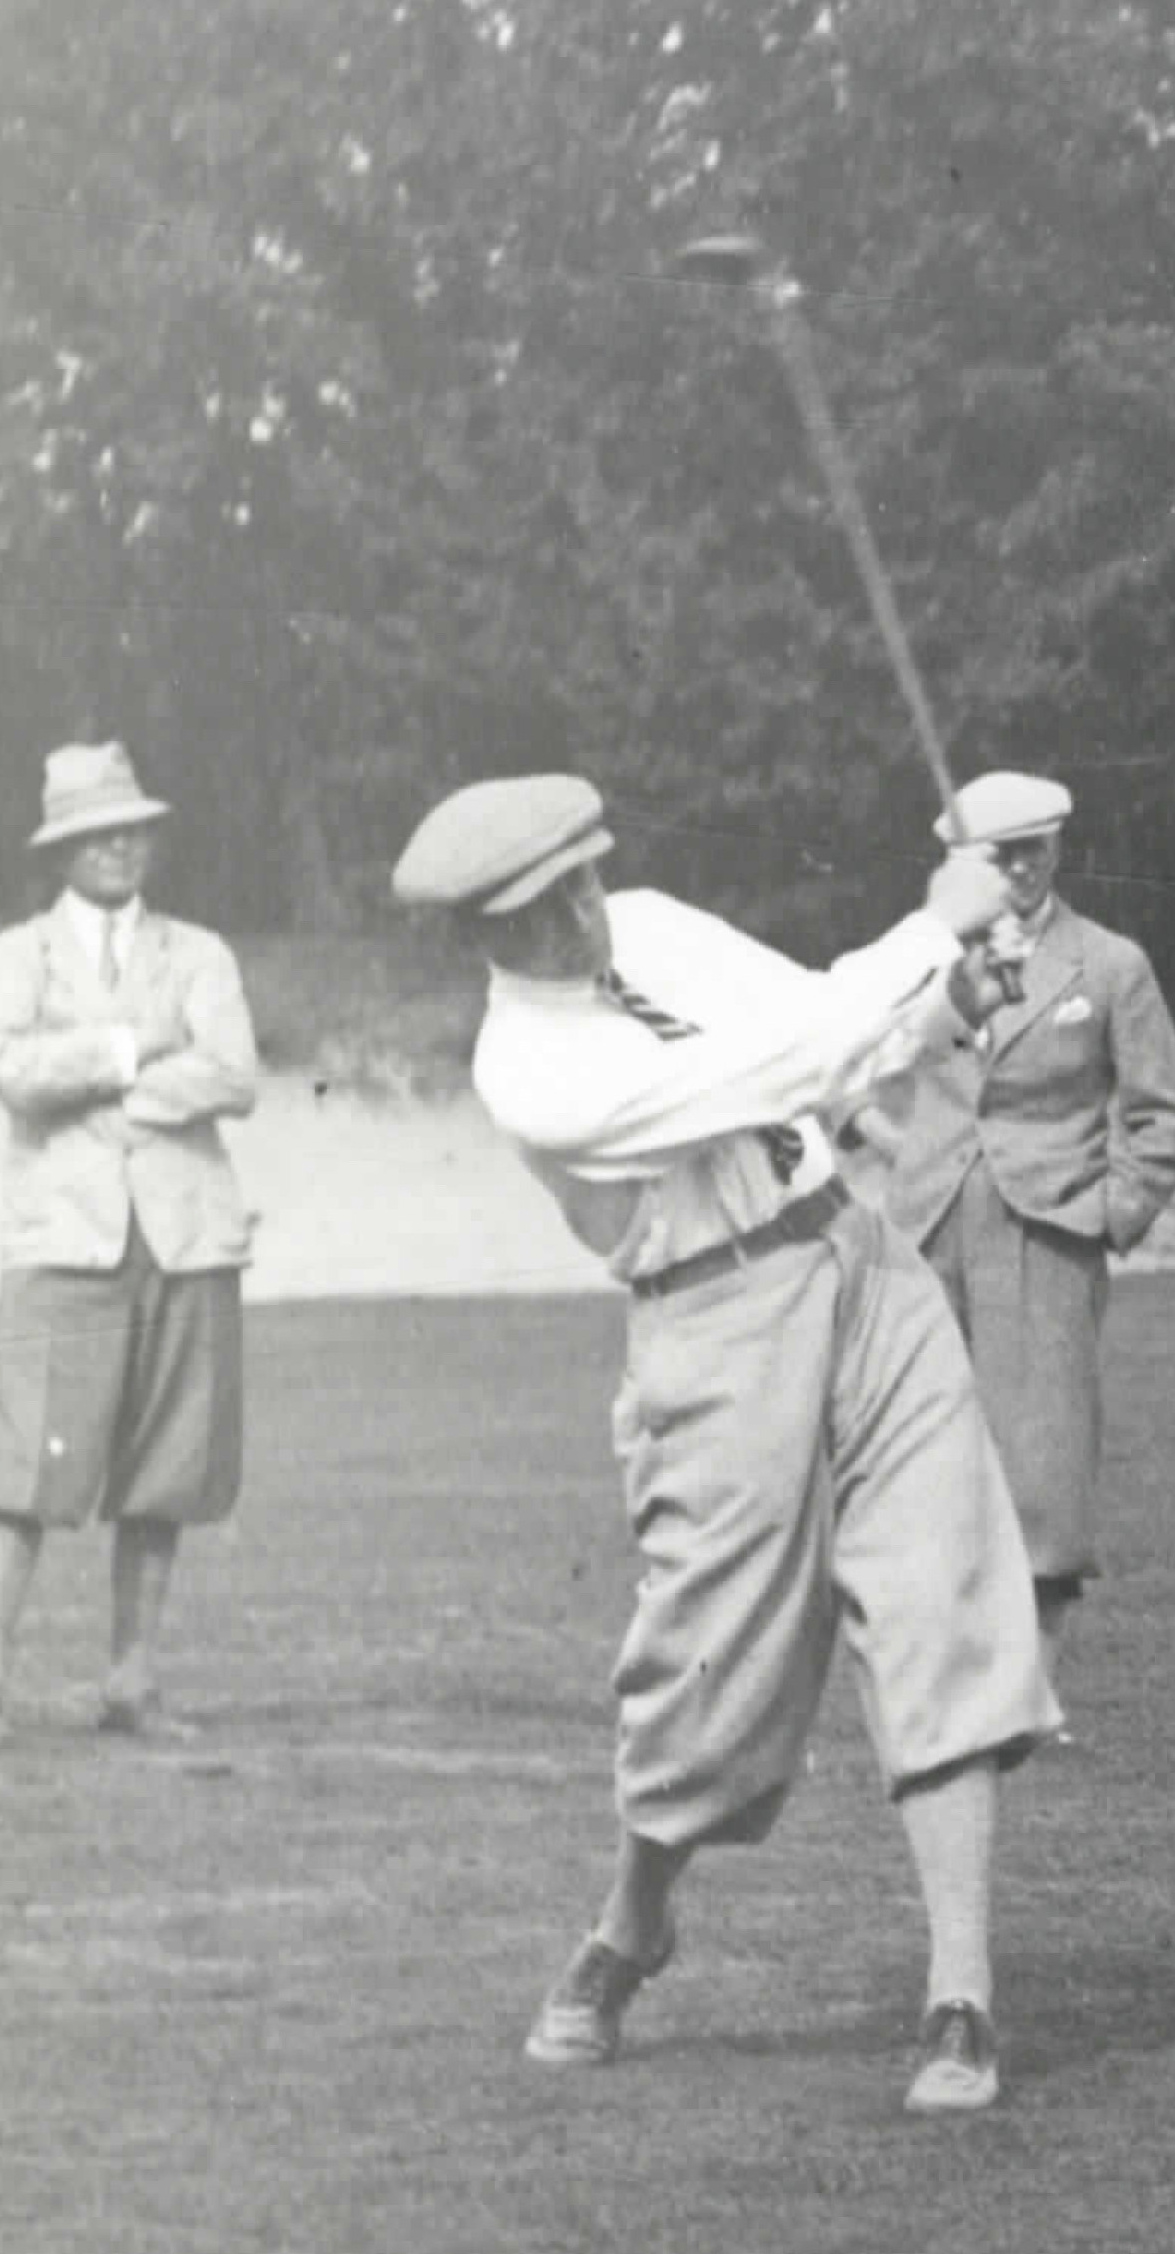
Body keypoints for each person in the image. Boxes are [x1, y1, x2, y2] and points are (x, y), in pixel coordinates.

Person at [396, 772, 1058, 2120]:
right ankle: (633, 1922)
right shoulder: (531, 1068)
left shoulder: (645, 920)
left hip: (856, 1259)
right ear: (483, 935)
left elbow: (830, 1034)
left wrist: (946, 1002)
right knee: (711, 1682)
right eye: (545, 909)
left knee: (942, 1595)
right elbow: (779, 1063)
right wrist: (934, 926)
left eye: (587, 878)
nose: (586, 916)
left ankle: (962, 1988)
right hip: (712, 1327)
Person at [0, 742, 262, 1742]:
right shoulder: (15, 955)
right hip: (61, 1241)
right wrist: (129, 1051)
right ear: (62, 850)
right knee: (24, 1466)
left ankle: (132, 1682)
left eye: (131, 828)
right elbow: (3, 1066)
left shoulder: (201, 953)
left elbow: (235, 1076)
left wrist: (101, 1085)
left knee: (166, 1467)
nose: (119, 846)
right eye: (97, 832)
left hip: (185, 1239)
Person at [861, 770, 1175, 1657]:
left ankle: (1029, 1699)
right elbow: (858, 1061)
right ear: (961, 859)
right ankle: (937, 1681)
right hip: (923, 1233)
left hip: (1045, 1241)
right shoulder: (921, 956)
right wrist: (891, 1149)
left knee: (1041, 1482)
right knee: (915, 1460)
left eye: (1033, 849)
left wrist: (1105, 1214)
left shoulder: (1109, 963)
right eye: (996, 854)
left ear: (1058, 847)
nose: (1017, 869)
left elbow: (1164, 1116)